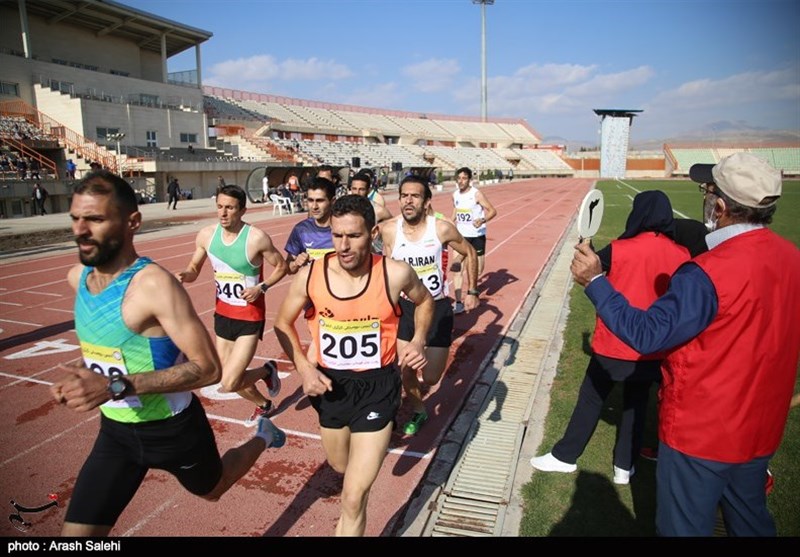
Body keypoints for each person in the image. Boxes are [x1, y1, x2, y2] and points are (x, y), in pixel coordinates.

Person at [570, 153, 800, 536]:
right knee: (750, 521)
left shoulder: (706, 272)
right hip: (762, 426)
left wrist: (596, 283)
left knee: (684, 527)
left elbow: (646, 334)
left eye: (708, 191)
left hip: (702, 432)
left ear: (721, 205)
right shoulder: (791, 257)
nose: (705, 199)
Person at [50, 170, 285, 537]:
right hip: (117, 432)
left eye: (95, 219)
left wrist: (115, 387)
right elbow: (111, 350)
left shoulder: (154, 285)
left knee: (214, 490)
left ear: (133, 223)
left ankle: (264, 435)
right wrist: (80, 374)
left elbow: (207, 369)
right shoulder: (76, 278)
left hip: (174, 430)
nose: (81, 229)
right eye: (76, 218)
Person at [273, 195, 434, 536]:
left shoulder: (395, 273)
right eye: (337, 235)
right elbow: (282, 323)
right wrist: (304, 368)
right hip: (331, 387)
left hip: (378, 387)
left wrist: (419, 339)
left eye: (354, 236)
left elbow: (425, 301)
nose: (344, 246)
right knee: (339, 465)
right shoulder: (310, 275)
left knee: (353, 495)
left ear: (373, 233)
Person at [531, 190, 691, 484]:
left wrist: (584, 248)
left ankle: (565, 456)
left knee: (591, 398)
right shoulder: (683, 254)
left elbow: (585, 274)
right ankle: (624, 466)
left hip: (613, 343)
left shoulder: (620, 248)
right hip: (654, 348)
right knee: (636, 403)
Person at [176, 185, 289, 423]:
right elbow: (194, 267)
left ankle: (266, 371)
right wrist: (185, 275)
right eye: (219, 207)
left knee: (230, 381)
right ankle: (264, 403)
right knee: (223, 376)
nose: (223, 213)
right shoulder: (207, 235)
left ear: (242, 210)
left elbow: (281, 266)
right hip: (223, 314)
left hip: (250, 317)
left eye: (229, 208)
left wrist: (262, 287)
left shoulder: (256, 238)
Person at [380, 175, 479, 435]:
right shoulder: (389, 230)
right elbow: (384, 265)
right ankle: (419, 409)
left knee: (432, 377)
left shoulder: (441, 229)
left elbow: (469, 251)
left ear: (426, 202)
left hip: (436, 307)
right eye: (404, 195)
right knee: (406, 368)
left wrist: (472, 289)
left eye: (415, 196)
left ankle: (423, 384)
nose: (408, 200)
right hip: (406, 309)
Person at [450, 167, 497, 314]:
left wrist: (482, 220)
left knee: (479, 268)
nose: (461, 181)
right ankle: (458, 303)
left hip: (477, 235)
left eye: (464, 178)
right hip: (461, 236)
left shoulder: (476, 194)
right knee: (457, 270)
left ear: (469, 180)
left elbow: (492, 211)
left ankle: (472, 287)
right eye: (459, 178)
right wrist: (451, 223)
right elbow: (456, 210)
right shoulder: (455, 194)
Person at [284, 177, 337, 274]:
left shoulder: (343, 228)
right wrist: (296, 263)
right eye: (310, 200)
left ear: (332, 201)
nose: (314, 206)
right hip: (312, 288)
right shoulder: (301, 230)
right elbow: (289, 269)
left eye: (320, 201)